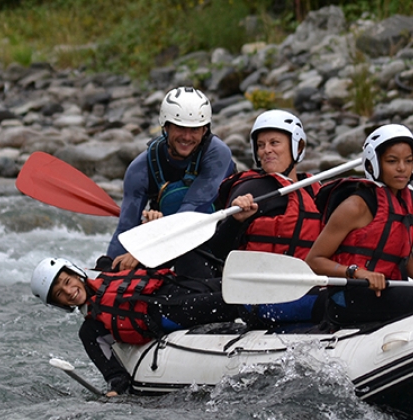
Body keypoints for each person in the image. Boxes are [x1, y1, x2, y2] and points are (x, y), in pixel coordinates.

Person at [30, 257, 239, 396]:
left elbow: (157, 256)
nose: (68, 291)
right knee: (236, 301)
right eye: (59, 294)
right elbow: (114, 375)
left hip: (183, 287)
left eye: (67, 282)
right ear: (60, 304)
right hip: (172, 313)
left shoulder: (111, 269)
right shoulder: (91, 329)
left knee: (238, 286)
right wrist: (116, 389)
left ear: (76, 274)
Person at [205, 109, 326, 325]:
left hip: (309, 287)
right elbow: (216, 253)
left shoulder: (316, 189)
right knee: (336, 303)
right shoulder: (253, 188)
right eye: (261, 145)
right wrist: (235, 221)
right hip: (260, 298)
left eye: (274, 143)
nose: (266, 151)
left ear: (297, 146)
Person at [104, 86, 235, 272]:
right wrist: (107, 270)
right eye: (180, 127)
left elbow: (190, 214)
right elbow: (125, 229)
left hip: (218, 240)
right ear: (166, 126)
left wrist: (143, 250)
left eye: (195, 129)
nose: (187, 137)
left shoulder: (217, 154)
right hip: (167, 243)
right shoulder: (140, 169)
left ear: (205, 129)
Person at [306, 123, 413, 326]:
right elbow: (314, 260)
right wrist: (358, 272)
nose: (402, 168)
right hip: (348, 297)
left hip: (389, 290)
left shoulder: (406, 204)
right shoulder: (356, 206)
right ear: (374, 163)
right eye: (392, 161)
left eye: (408, 161)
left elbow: (404, 259)